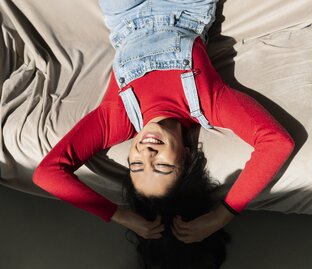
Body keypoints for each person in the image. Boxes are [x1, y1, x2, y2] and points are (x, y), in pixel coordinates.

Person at [32, 0, 294, 246]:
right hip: (187, 9)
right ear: (187, 156)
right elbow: (276, 143)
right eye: (162, 166)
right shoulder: (210, 104)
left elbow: (48, 174)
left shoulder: (117, 120)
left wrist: (120, 215)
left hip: (124, 16)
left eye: (136, 165)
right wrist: (222, 215)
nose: (147, 153)